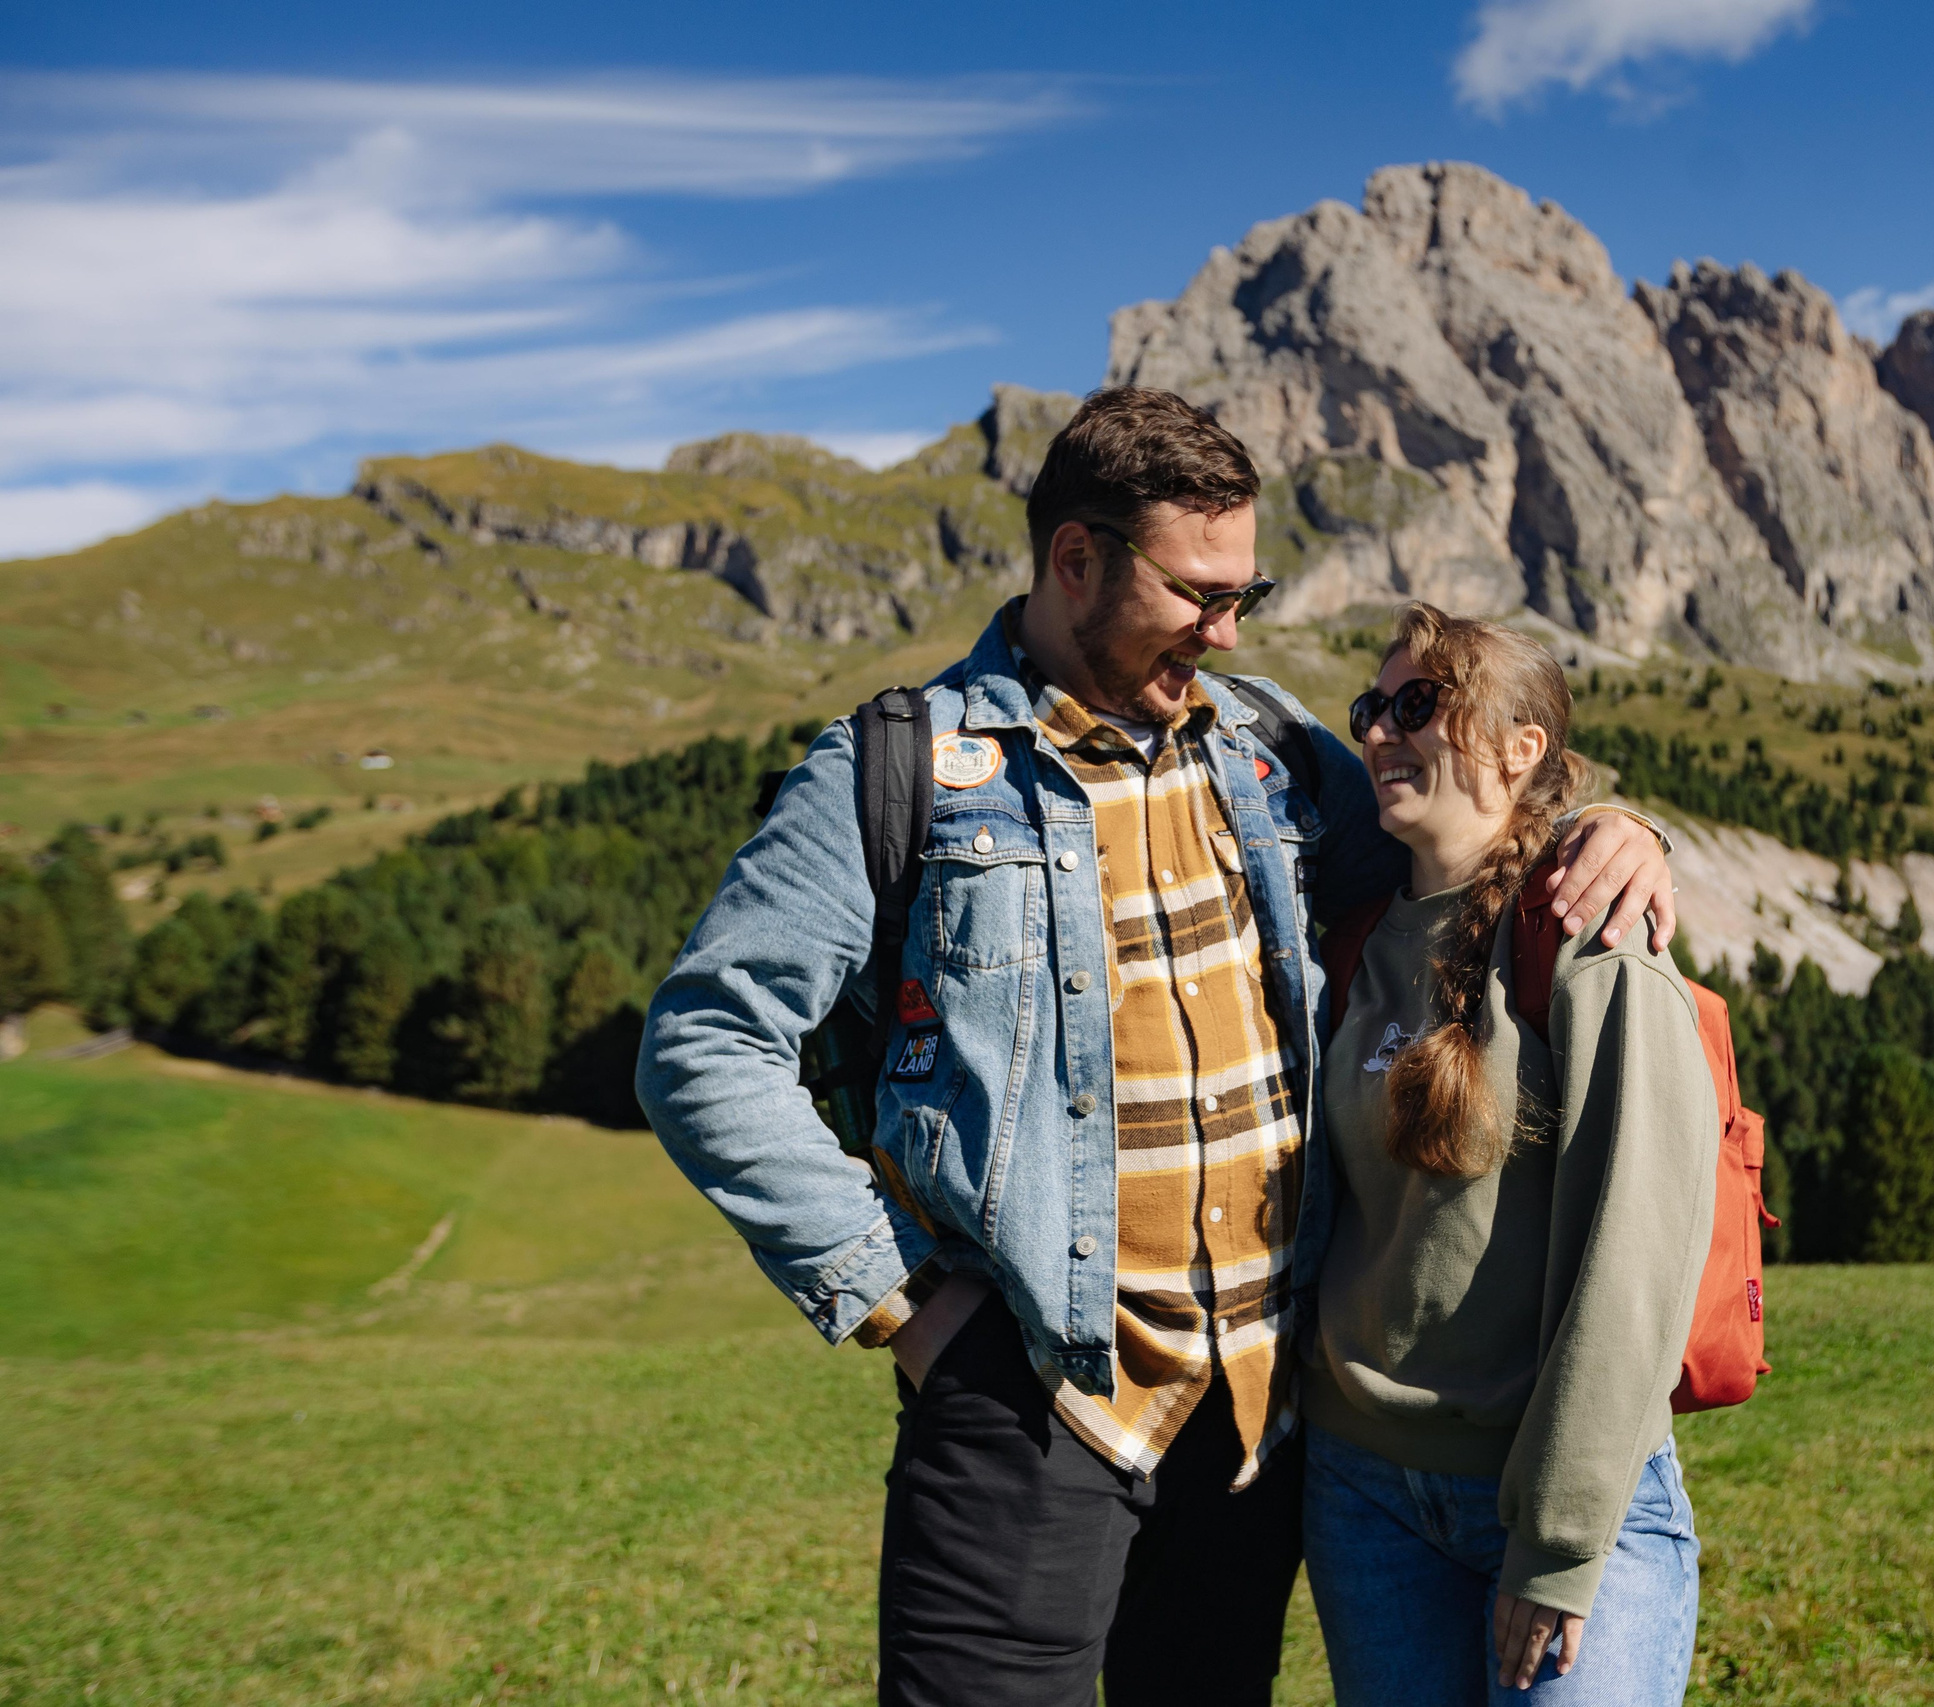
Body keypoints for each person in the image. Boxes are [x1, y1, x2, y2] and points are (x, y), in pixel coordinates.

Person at [636, 388, 1682, 1707]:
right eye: (1198, 593)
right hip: (1024, 1399)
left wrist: (1614, 830)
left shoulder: (1271, 749)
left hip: (1251, 1424)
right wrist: (908, 1304)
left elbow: (1468, 840)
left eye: (1246, 594)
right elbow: (705, 1040)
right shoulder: (895, 767)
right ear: (1075, 559)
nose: (1228, 630)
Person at [1301, 602, 1715, 1704]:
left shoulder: (1590, 937)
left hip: (1560, 1500)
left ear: (1520, 746)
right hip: (1364, 1500)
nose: (1379, 730)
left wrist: (1559, 1540)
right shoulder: (1348, 942)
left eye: (1417, 704)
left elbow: (1638, 1253)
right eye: (1370, 707)